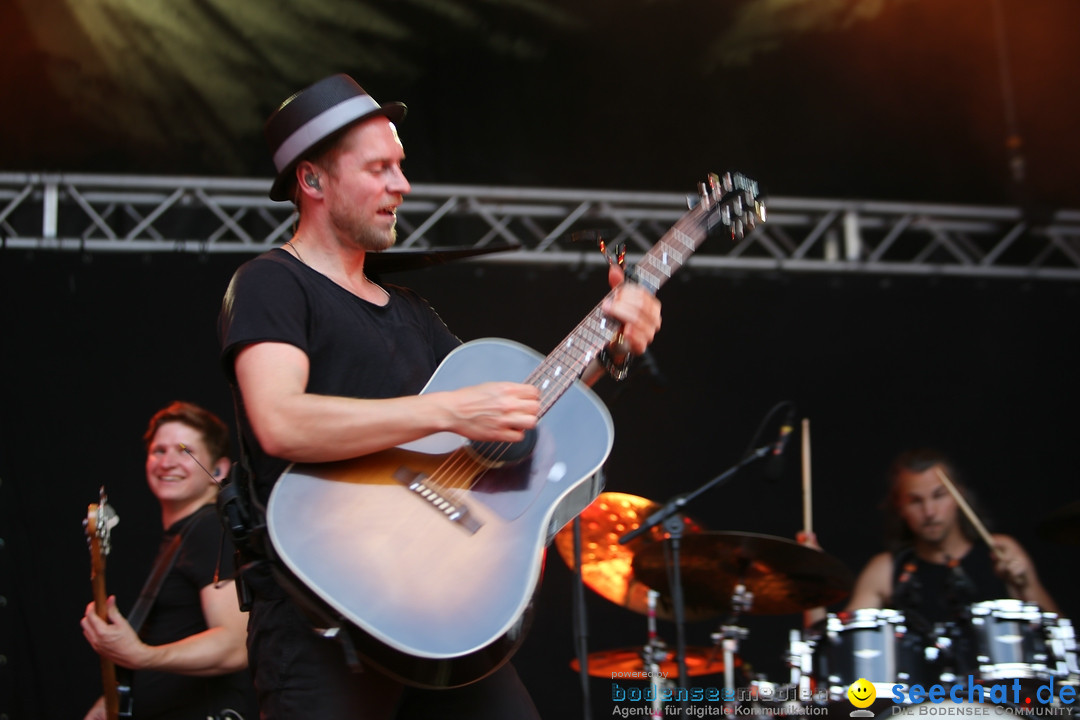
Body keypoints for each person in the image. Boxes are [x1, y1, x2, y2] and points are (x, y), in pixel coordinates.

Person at [217, 73, 664, 719]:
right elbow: (280, 422)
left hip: (437, 611)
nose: (402, 185)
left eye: (401, 166)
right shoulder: (271, 283)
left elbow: (511, 417)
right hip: (318, 611)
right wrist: (449, 409)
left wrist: (612, 348)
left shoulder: (411, 313)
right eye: (379, 168)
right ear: (312, 182)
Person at [81, 402, 257, 720]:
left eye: (183, 450)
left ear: (217, 471)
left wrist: (142, 656)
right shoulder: (183, 536)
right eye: (158, 451)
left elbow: (234, 644)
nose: (167, 462)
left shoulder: (208, 529)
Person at [843, 448, 1059, 622]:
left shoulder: (1000, 551)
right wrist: (814, 585)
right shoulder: (886, 569)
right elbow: (844, 646)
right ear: (899, 507)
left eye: (939, 496)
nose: (929, 512)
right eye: (916, 501)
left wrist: (1027, 586)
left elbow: (1059, 638)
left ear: (959, 495)